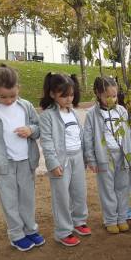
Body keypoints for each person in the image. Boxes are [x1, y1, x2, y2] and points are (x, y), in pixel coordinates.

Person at [0, 64, 44, 251]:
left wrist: (30, 130)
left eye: (12, 96)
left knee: (27, 198)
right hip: (3, 164)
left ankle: (30, 229)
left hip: (26, 162)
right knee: (10, 200)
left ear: (18, 89)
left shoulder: (26, 106)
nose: (8, 101)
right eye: (3, 96)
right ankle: (16, 234)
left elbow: (39, 128)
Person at [40, 73, 91, 247]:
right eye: (64, 95)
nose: (69, 99)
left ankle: (79, 221)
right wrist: (53, 163)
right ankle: (63, 231)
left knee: (79, 192)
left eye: (71, 94)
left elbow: (80, 135)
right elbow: (46, 141)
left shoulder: (74, 112)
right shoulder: (48, 116)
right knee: (61, 197)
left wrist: (85, 156)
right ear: (53, 94)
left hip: (77, 157)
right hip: (61, 162)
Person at [84, 77, 131, 234]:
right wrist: (91, 159)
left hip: (122, 155)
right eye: (108, 96)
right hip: (104, 157)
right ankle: (110, 220)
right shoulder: (92, 114)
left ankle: (122, 217)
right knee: (107, 189)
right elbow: (88, 137)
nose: (112, 99)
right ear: (98, 94)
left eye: (114, 96)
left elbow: (128, 134)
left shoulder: (122, 111)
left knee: (123, 187)